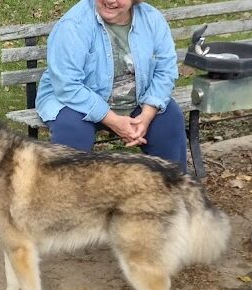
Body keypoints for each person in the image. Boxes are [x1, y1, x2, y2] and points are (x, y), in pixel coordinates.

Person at [35, 0, 187, 172]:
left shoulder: (152, 20)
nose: (110, 0)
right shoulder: (73, 25)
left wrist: (146, 115)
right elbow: (67, 85)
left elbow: (165, 71)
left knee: (169, 120)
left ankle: (170, 192)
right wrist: (113, 120)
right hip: (75, 102)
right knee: (72, 136)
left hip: (136, 100)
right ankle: (67, 195)